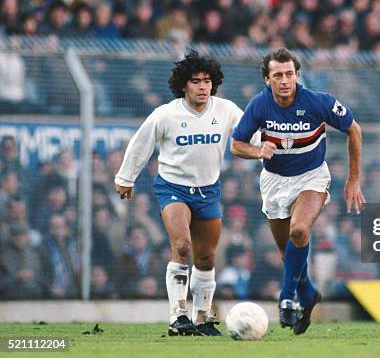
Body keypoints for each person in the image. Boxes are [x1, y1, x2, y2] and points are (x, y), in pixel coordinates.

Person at [114, 50, 250, 337]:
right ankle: (178, 315)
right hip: (172, 187)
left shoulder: (226, 110)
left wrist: (270, 150)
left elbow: (251, 133)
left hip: (209, 190)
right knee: (183, 247)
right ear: (183, 85)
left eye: (207, 80)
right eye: (195, 81)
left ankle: (201, 319)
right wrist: (126, 178)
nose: (202, 86)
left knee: (207, 258)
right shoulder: (166, 114)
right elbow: (141, 144)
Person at [231, 47, 365, 335]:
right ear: (267, 79)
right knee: (290, 254)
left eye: (289, 74)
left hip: (312, 178)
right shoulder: (259, 105)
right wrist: (257, 151)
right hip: (274, 181)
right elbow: (236, 144)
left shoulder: (318, 102)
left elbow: (354, 130)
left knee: (299, 231)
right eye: (277, 75)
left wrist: (353, 179)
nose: (284, 80)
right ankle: (307, 294)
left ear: (297, 75)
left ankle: (286, 297)